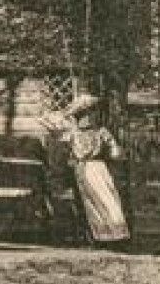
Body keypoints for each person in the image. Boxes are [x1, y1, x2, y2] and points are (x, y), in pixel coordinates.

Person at [54, 94, 129, 247]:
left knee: (108, 199)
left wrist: (114, 149)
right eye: (84, 114)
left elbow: (116, 153)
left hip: (99, 168)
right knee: (91, 202)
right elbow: (59, 147)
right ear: (78, 116)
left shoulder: (101, 132)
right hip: (82, 168)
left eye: (91, 113)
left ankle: (112, 234)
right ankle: (96, 235)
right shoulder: (73, 133)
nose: (88, 117)